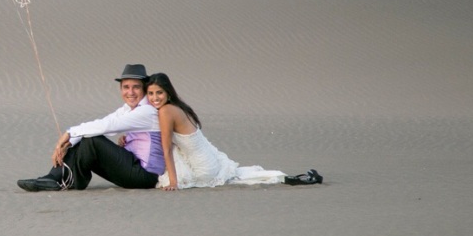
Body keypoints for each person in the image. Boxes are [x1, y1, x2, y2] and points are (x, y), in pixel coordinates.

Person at [144, 72, 322, 190]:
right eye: (150, 94)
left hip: (203, 167)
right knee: (241, 176)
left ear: (168, 93)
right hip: (209, 157)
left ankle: (291, 179)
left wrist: (174, 182)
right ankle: (290, 178)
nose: (154, 98)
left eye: (159, 92)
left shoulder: (166, 111)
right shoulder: (176, 107)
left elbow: (166, 147)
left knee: (166, 175)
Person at [17, 64, 162, 191]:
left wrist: (69, 133)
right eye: (126, 87)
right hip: (133, 167)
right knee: (86, 136)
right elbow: (104, 121)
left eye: (136, 87)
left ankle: (63, 180)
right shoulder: (128, 108)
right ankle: (54, 177)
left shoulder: (147, 111)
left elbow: (109, 126)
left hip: (145, 176)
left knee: (92, 141)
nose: (130, 92)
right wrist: (69, 142)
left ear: (144, 88)